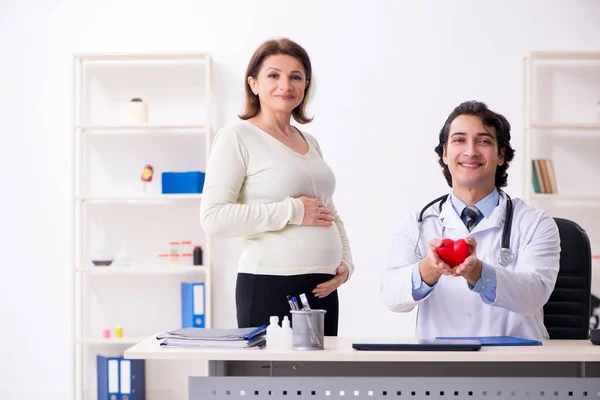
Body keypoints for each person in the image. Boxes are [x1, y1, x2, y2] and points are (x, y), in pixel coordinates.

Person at [200, 38, 354, 336]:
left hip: (321, 288)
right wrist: (292, 211)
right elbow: (213, 217)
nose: (286, 84)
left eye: (295, 77)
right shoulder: (237, 137)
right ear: (253, 83)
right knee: (271, 381)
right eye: (274, 75)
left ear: (305, 86)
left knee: (320, 382)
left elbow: (328, 210)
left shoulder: (310, 142)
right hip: (270, 283)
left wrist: (345, 262)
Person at [381, 100, 560, 340]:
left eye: (484, 141)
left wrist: (479, 274)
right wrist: (428, 270)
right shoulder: (417, 224)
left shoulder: (535, 223)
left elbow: (534, 296)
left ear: (500, 155)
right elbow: (392, 296)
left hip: (516, 364)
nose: (471, 151)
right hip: (442, 366)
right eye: (459, 140)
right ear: (445, 153)